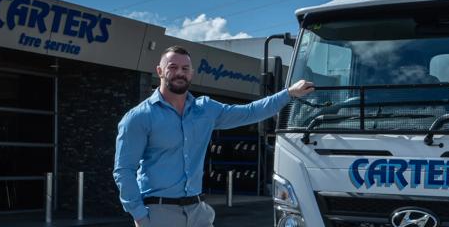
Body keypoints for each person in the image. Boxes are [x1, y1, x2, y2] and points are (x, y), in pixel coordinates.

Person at [113, 45, 314, 227]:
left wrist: (289, 93)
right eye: (172, 67)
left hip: (198, 212)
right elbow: (123, 171)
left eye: (185, 68)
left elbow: (250, 112)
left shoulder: (206, 110)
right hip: (159, 214)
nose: (179, 73)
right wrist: (140, 217)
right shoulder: (139, 117)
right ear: (159, 71)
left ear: (192, 73)